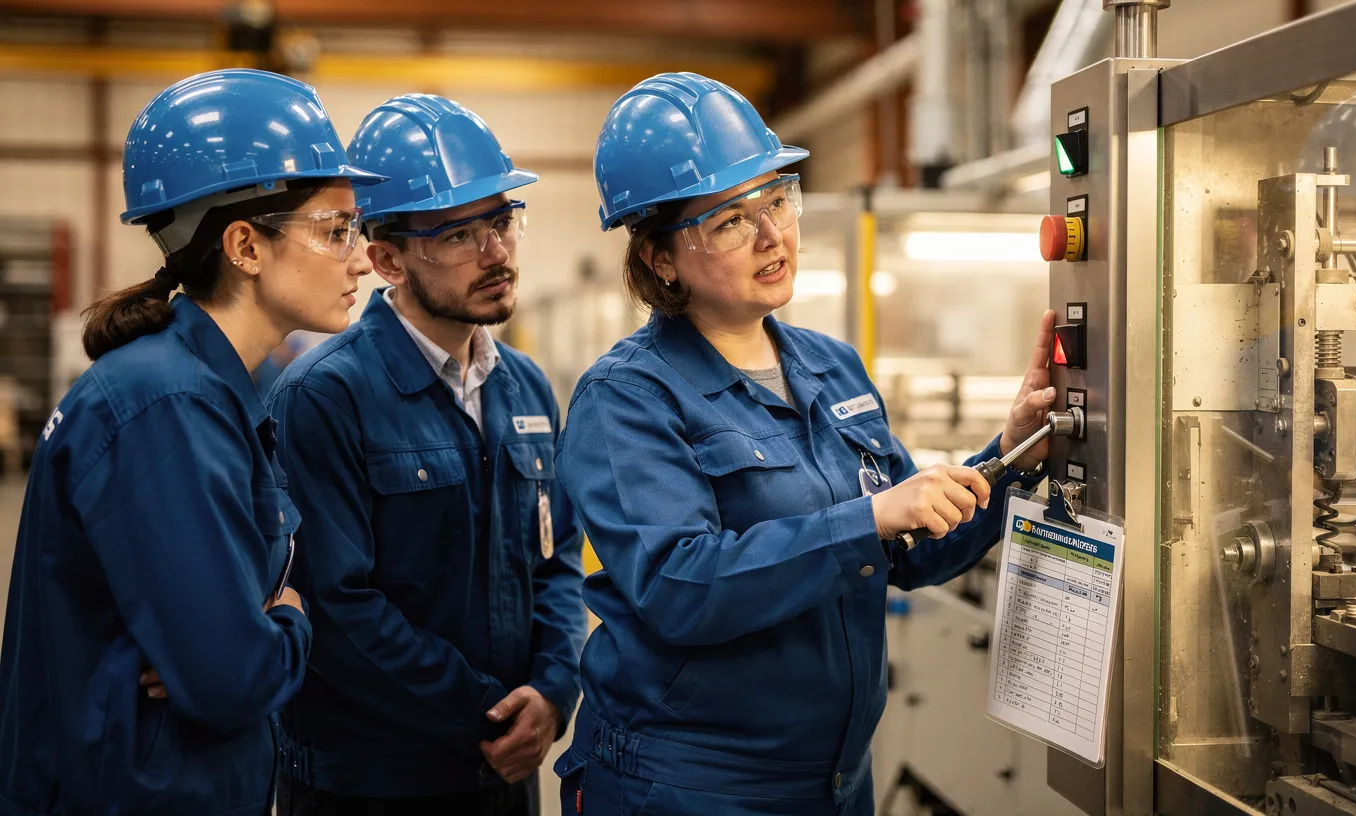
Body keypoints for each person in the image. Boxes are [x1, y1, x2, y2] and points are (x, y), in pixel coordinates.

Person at [552, 71, 1059, 815]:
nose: (772, 235)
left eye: (777, 199)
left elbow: (910, 551)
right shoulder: (628, 397)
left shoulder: (828, 365)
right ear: (660, 257)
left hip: (834, 781)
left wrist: (1009, 457)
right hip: (687, 786)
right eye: (729, 220)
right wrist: (872, 516)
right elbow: (677, 587)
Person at [0, 68, 381, 815]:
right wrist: (292, 617)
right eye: (337, 230)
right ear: (245, 245)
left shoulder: (212, 392)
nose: (362, 258)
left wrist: (255, 627)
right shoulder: (165, 405)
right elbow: (229, 678)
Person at [268, 94, 586, 816]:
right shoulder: (324, 396)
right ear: (386, 260)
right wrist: (486, 713)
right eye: (458, 235)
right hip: (371, 783)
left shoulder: (528, 387)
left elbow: (558, 558)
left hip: (506, 771)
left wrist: (554, 690)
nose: (497, 252)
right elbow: (335, 609)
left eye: (502, 221)